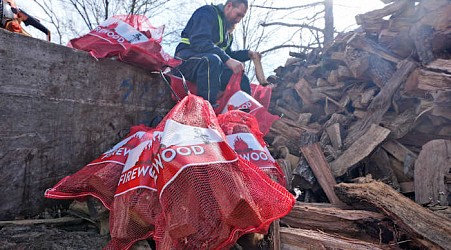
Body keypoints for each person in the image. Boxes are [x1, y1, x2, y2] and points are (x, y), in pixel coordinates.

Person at [174, 0, 260, 106]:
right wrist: (227, 60)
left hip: (212, 64)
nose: (239, 20)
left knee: (241, 77)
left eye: (242, 17)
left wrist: (247, 54)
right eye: (238, 15)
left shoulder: (228, 34)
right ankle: (205, 110)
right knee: (212, 60)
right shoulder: (207, 12)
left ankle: (244, 115)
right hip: (185, 60)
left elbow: (228, 55)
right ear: (229, 6)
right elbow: (200, 41)